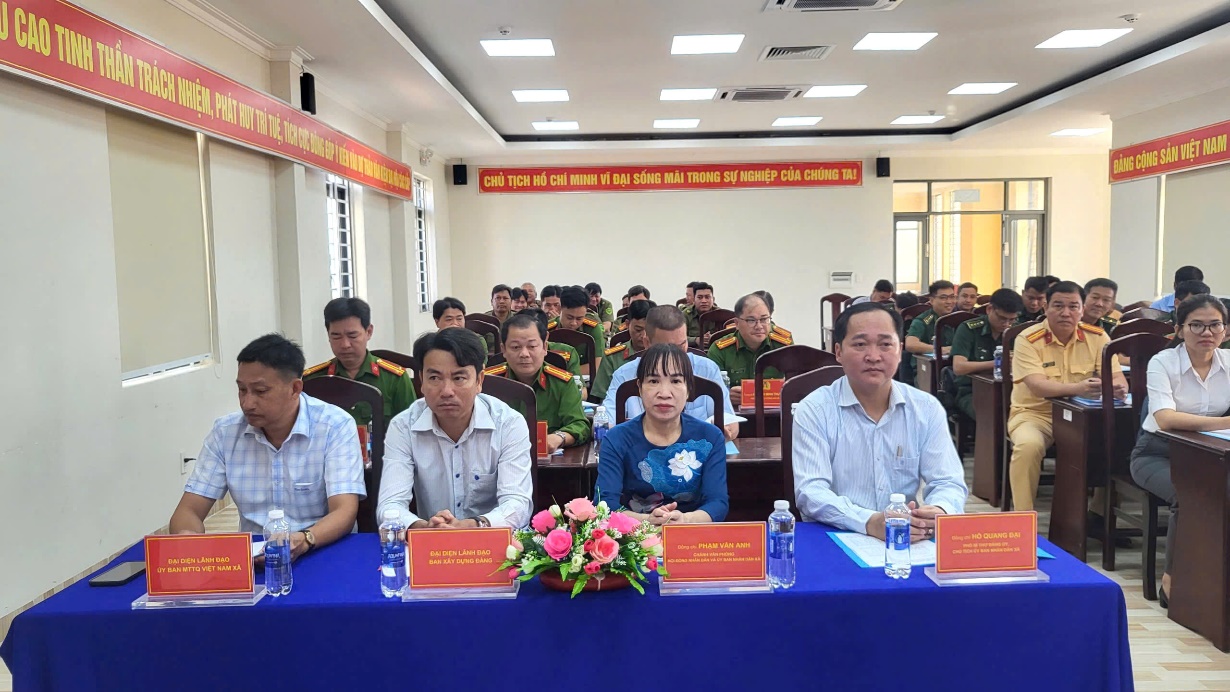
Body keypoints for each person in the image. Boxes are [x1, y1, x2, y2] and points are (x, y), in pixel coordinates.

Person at [169, 334, 365, 558]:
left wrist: (304, 540)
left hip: (320, 548)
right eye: (242, 390)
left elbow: (344, 511)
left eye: (260, 391)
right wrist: (188, 536)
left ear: (295, 389)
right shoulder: (226, 433)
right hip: (254, 557)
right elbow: (189, 510)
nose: (247, 403)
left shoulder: (334, 426)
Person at [793, 303, 968, 536]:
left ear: (900, 350)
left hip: (905, 536)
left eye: (885, 344)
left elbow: (948, 482)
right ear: (838, 352)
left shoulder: (926, 409)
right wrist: (869, 522)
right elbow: (810, 492)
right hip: (836, 534)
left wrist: (939, 509)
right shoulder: (815, 410)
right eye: (860, 344)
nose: (873, 357)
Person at [377, 328, 533, 529]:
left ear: (479, 380)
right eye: (435, 378)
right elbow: (389, 505)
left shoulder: (508, 423)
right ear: (421, 381)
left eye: (459, 378)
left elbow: (517, 504)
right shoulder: (403, 427)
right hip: (431, 539)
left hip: (492, 540)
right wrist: (425, 528)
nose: (447, 391)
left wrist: (471, 526)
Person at [1131, 294, 1230, 606]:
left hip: (1210, 455)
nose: (1207, 333)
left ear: (1226, 330)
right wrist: (1225, 422)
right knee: (1189, 495)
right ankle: (1173, 581)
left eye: (1215, 325)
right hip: (1157, 454)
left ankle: (1215, 578)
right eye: (1196, 325)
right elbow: (1165, 418)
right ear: (1179, 329)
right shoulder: (1163, 362)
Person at [1007, 281, 1128, 511]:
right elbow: (1038, 386)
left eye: (1073, 307)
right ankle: (1023, 517)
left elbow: (1117, 378)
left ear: (1082, 310)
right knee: (1028, 447)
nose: (1066, 313)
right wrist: (1079, 388)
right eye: (1058, 306)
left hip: (1083, 417)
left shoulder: (1098, 337)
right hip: (1036, 415)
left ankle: (1099, 513)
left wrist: (1118, 388)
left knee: (1116, 441)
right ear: (1046, 307)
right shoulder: (1027, 339)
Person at [595, 343, 728, 524]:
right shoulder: (616, 439)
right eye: (653, 381)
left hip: (691, 532)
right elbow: (604, 505)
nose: (664, 393)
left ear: (688, 389)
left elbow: (718, 503)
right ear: (639, 387)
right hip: (635, 534)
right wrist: (648, 521)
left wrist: (685, 520)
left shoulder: (710, 438)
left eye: (676, 381)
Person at [604, 306, 739, 440]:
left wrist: (725, 430)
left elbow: (730, 421)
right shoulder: (624, 375)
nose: (676, 355)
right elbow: (606, 421)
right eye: (666, 348)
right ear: (647, 343)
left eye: (682, 345)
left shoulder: (707, 369)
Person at [303, 297, 417, 428]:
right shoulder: (313, 380)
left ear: (369, 332)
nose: (345, 344)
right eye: (336, 336)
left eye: (352, 336)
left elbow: (411, 430)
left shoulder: (395, 379)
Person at [483, 314, 589, 453]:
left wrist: (559, 437)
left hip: (548, 462)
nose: (524, 354)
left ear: (544, 347)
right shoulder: (487, 383)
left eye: (532, 346)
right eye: (515, 347)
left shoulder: (562, 382)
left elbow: (580, 424)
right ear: (503, 350)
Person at [707, 292, 794, 407]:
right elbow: (709, 391)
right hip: (734, 413)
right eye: (751, 320)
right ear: (737, 323)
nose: (759, 326)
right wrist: (725, 394)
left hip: (776, 412)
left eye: (764, 319)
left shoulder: (784, 346)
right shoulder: (720, 350)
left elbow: (796, 384)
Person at [950, 288, 1024, 419]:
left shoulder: (1016, 331)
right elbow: (959, 367)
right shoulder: (968, 329)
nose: (1006, 324)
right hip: (972, 391)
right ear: (989, 309)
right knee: (993, 413)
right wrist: (998, 363)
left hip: (1009, 389)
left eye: (1012, 320)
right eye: (1002, 318)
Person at [592, 299, 655, 402]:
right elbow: (601, 397)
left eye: (648, 331)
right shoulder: (612, 357)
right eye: (638, 330)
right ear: (627, 324)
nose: (643, 336)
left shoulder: (665, 356)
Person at [903, 280, 957, 384]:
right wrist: (941, 350)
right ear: (931, 300)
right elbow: (910, 344)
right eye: (943, 298)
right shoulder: (923, 320)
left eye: (952, 297)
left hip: (953, 368)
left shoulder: (958, 318)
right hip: (927, 370)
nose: (949, 301)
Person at [682, 281, 718, 348]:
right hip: (694, 350)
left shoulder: (721, 314)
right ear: (694, 299)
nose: (704, 301)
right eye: (700, 297)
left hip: (716, 350)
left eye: (707, 297)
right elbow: (679, 337)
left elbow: (730, 336)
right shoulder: (686, 315)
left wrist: (714, 338)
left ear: (713, 299)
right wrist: (696, 340)